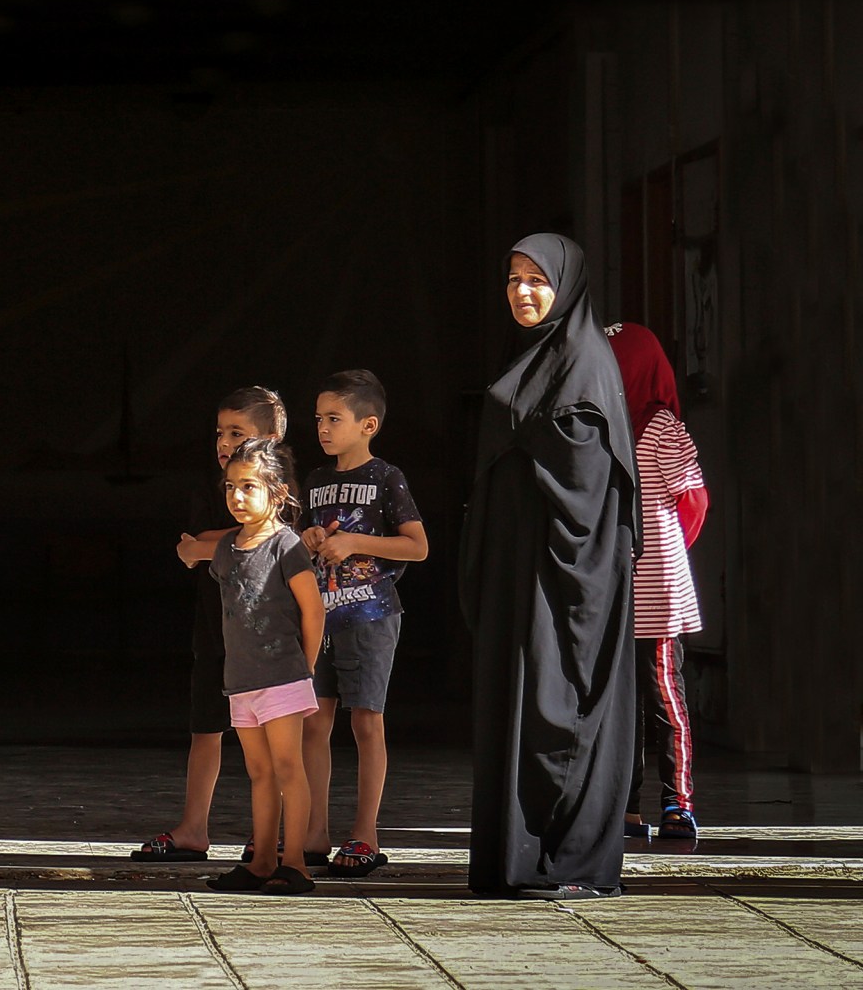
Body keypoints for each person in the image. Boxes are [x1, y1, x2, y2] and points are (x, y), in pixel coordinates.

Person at [461, 233, 638, 899]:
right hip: (520, 575)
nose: (522, 292)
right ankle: (516, 859)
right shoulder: (537, 358)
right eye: (512, 279)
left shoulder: (587, 363)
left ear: (566, 285)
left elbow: (592, 481)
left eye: (537, 280)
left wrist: (525, 435)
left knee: (554, 701)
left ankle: (566, 860)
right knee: (516, 702)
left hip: (562, 583)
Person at [134, 386, 291, 862]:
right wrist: (228, 539)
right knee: (206, 726)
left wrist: (219, 542)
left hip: (268, 635)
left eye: (237, 432)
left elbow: (251, 536)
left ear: (271, 436)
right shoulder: (210, 487)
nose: (224, 442)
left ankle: (272, 831)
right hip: (216, 624)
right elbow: (196, 541)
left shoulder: (285, 482)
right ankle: (193, 828)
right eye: (221, 432)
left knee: (271, 735)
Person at [178, 438, 326, 895]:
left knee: (287, 767)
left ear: (277, 493)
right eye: (230, 488)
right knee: (259, 772)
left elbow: (313, 611)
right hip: (240, 681)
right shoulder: (227, 549)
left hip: (282, 677)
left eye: (249, 487)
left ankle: (295, 862)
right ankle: (262, 860)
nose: (237, 497)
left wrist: (304, 668)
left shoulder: (286, 546)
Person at [298, 370, 429, 877]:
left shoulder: (385, 478)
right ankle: (314, 832)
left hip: (371, 615)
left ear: (367, 424)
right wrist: (311, 539)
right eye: (318, 419)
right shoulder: (314, 481)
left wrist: (356, 542)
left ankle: (365, 833)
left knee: (365, 720)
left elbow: (417, 546)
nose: (323, 428)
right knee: (315, 721)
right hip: (322, 615)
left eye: (334, 418)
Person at [606, 322, 708, 841]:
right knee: (620, 707)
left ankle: (678, 803)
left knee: (664, 696)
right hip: (612, 589)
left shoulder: (660, 427)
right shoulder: (598, 427)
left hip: (657, 591)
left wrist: (666, 552)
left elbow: (693, 500)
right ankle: (625, 808)